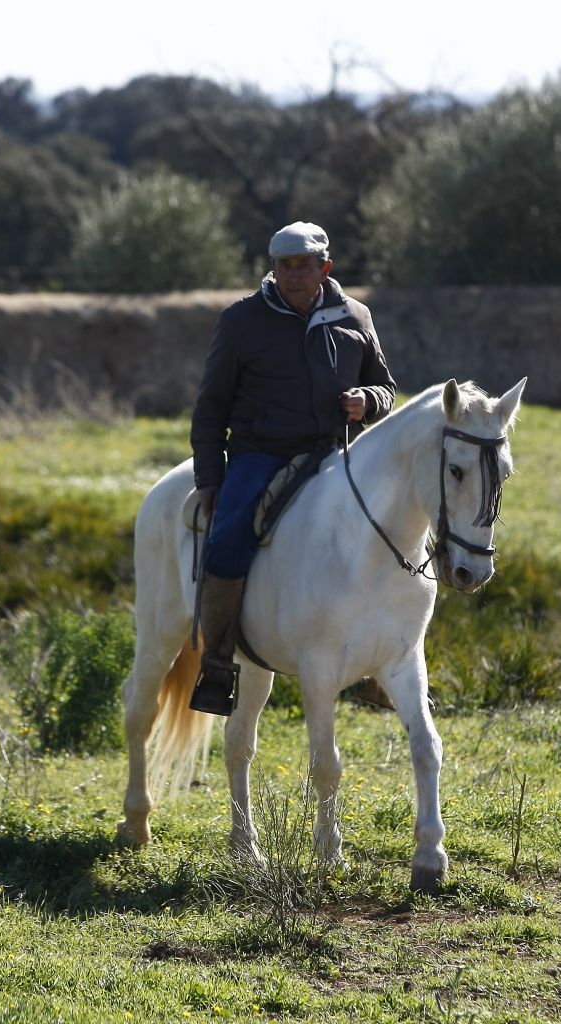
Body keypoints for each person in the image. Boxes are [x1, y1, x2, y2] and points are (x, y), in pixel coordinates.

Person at [189, 221, 396, 715]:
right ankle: (217, 664)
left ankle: (383, 663)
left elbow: (387, 388)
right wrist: (209, 479)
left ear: (325, 268)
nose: (294, 275)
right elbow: (210, 407)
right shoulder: (242, 320)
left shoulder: (356, 316)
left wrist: (367, 401)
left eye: (304, 266)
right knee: (228, 539)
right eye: (285, 266)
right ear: (273, 268)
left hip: (336, 453)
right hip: (260, 454)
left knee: (393, 533)